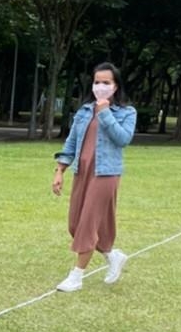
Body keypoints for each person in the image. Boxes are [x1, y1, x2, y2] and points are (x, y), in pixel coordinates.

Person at [51, 63, 137, 292]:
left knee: (88, 223)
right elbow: (71, 142)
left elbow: (123, 139)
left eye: (106, 82)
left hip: (106, 173)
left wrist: (105, 112)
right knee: (75, 224)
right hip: (83, 171)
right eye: (97, 82)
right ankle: (111, 254)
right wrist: (59, 170)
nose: (100, 86)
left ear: (115, 86)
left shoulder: (127, 112)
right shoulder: (84, 111)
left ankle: (76, 276)